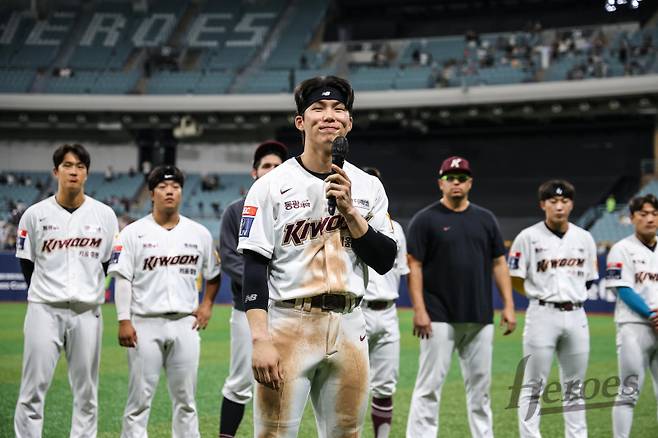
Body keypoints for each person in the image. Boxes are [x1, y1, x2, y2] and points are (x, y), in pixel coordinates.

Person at [237, 75, 397, 437]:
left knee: (348, 433)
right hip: (289, 323)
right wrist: (260, 339)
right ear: (300, 121)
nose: (330, 116)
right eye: (318, 108)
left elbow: (385, 258)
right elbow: (253, 268)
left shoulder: (368, 187)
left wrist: (351, 211)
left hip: (349, 322)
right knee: (274, 433)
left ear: (349, 122)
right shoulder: (270, 185)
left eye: (339, 109)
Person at [405, 156, 516, 438]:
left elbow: (499, 263)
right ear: (440, 183)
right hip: (438, 315)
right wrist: (419, 309)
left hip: (480, 315)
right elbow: (413, 265)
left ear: (470, 183)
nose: (456, 183)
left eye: (462, 178)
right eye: (451, 178)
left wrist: (509, 305)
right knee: (429, 387)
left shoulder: (485, 218)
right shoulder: (425, 219)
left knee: (481, 390)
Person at [14, 144, 119, 437]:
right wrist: (45, 291)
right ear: (55, 171)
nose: (74, 171)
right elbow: (26, 263)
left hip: (87, 312)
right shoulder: (34, 215)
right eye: (67, 165)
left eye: (80, 166)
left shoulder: (104, 214)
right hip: (43, 310)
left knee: (87, 393)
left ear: (87, 173)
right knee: (32, 389)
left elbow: (111, 263)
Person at [108, 165, 221, 438]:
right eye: (162, 187)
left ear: (181, 192)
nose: (170, 191)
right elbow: (121, 279)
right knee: (138, 401)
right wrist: (124, 320)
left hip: (185, 324)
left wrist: (206, 305)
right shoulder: (132, 233)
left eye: (176, 187)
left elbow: (214, 274)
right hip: (144, 323)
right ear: (151, 194)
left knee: (186, 401)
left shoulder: (200, 233)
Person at [508, 180, 598, 438]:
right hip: (542, 314)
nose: (559, 206)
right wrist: (541, 296)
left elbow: (589, 278)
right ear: (543, 204)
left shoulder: (585, 238)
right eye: (553, 201)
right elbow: (515, 277)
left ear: (571, 204)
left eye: (564, 201)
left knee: (576, 387)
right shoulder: (527, 237)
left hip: (577, 314)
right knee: (532, 386)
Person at [218, 140, 289, 438]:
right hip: (246, 311)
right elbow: (231, 260)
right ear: (254, 172)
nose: (272, 171)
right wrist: (268, 282)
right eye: (266, 166)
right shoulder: (235, 211)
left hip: (287, 311)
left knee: (285, 381)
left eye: (277, 166)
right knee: (240, 381)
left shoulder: (294, 209)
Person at [361, 166, 409, 438]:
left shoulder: (397, 230)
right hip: (359, 311)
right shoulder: (344, 225)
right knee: (352, 385)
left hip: (388, 312)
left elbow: (401, 270)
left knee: (385, 386)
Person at [606, 194, 658, 438]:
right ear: (632, 217)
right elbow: (623, 289)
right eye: (643, 214)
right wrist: (651, 315)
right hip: (634, 326)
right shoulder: (621, 249)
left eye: (654, 214)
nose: (649, 219)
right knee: (629, 391)